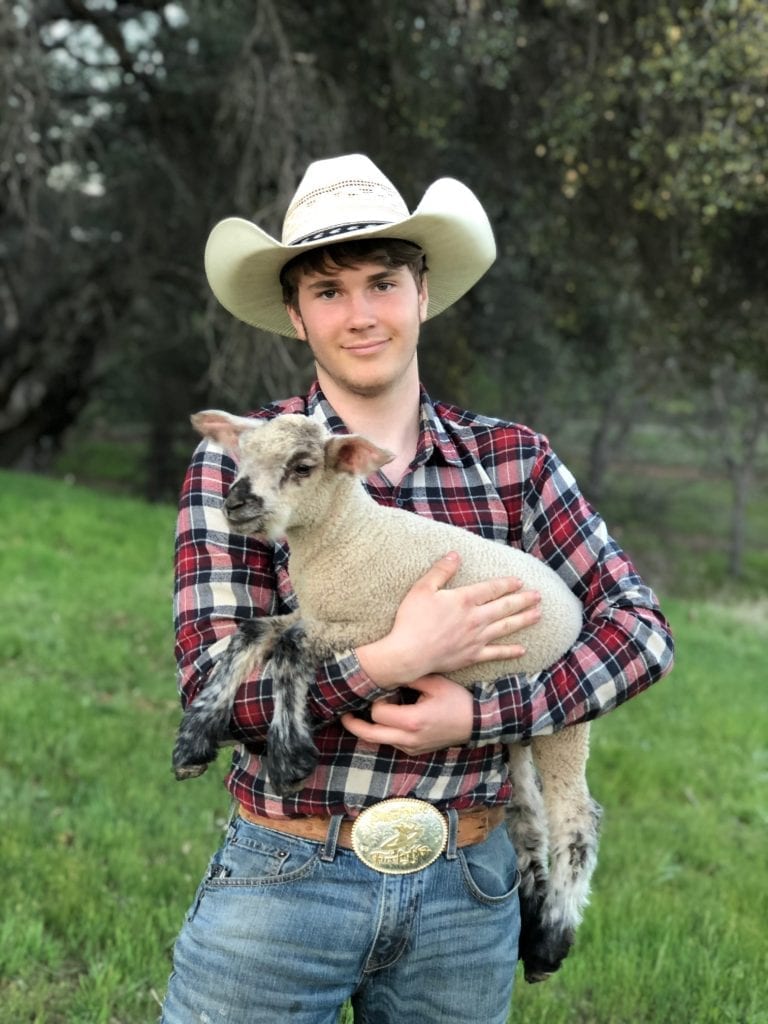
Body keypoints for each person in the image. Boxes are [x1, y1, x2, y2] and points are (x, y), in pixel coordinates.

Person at [160, 154, 674, 1024]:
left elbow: (641, 634)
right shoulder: (241, 469)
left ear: (423, 292)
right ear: (295, 313)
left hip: (465, 890)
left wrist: (485, 715)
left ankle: (560, 886)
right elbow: (220, 692)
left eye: (383, 282)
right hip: (285, 882)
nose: (361, 314)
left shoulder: (515, 464)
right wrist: (395, 659)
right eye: (328, 292)